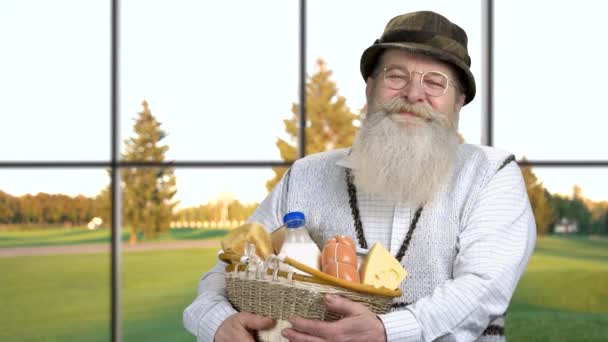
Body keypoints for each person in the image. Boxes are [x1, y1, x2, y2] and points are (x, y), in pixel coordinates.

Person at [184, 10, 536, 342]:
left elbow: (484, 286)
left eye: (436, 82)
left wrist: (388, 331)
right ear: (370, 88)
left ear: (458, 102)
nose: (414, 94)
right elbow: (234, 265)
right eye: (396, 75)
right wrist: (215, 321)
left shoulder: (491, 172)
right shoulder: (307, 174)